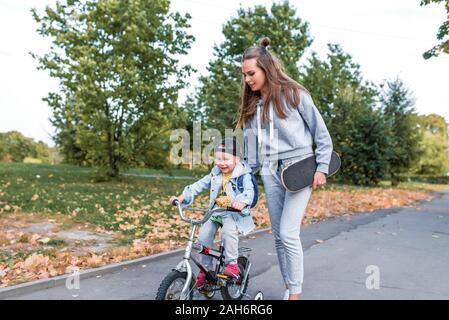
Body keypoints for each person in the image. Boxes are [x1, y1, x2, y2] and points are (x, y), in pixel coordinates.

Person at [237, 37, 333, 300]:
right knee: (279, 236)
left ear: (266, 69)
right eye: (245, 75)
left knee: (289, 232)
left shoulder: (294, 94)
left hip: (299, 169)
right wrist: (239, 177)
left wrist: (322, 167)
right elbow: (253, 154)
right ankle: (289, 285)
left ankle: (296, 295)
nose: (247, 79)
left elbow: (321, 134)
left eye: (251, 73)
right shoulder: (253, 107)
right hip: (270, 172)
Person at [170, 137, 256, 289]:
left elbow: (249, 191)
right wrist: (181, 198)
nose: (221, 163)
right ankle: (207, 270)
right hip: (215, 212)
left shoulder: (243, 174)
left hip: (232, 213)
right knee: (203, 238)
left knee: (228, 233)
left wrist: (241, 202)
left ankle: (232, 265)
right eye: (218, 159)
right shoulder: (215, 173)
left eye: (225, 159)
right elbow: (198, 185)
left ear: (236, 159)